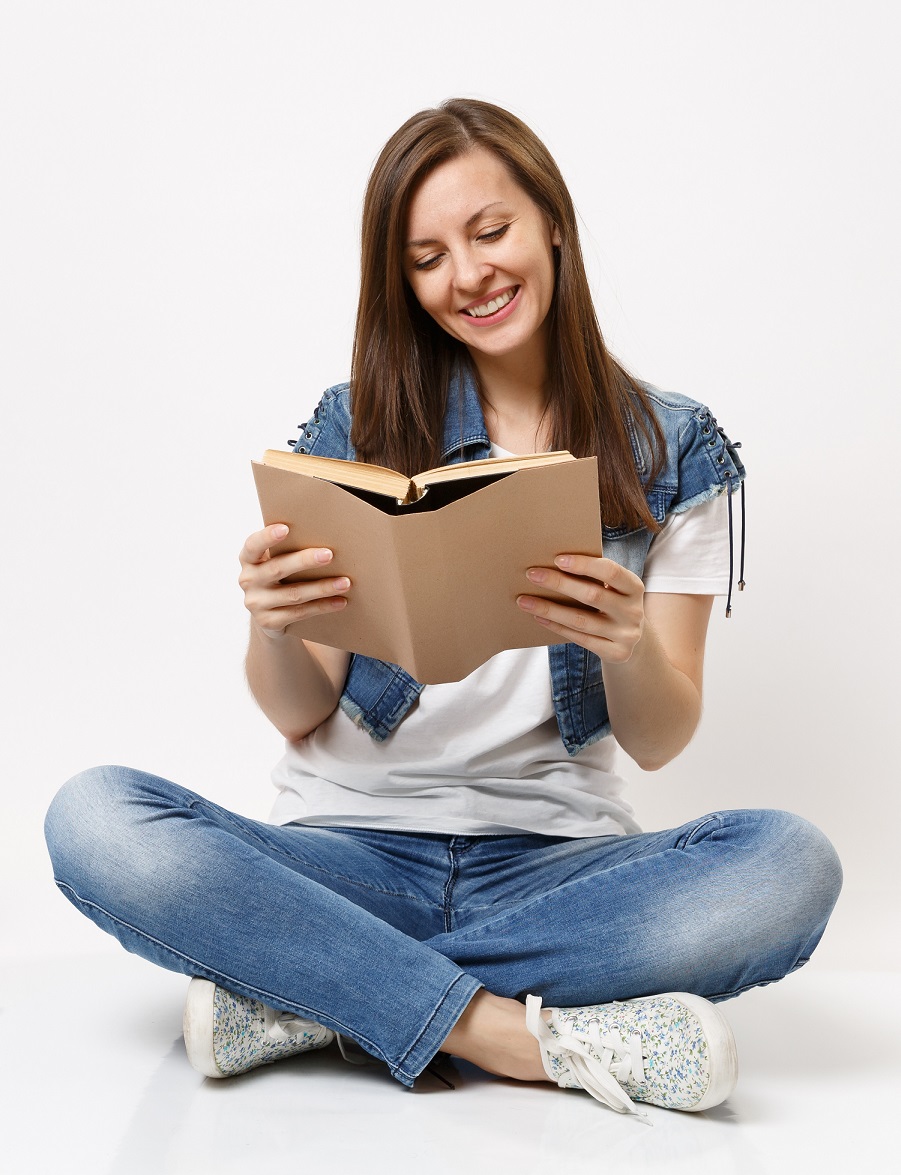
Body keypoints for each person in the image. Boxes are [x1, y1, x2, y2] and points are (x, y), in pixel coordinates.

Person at [44, 99, 842, 1121]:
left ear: (551, 220)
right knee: (96, 817)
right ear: (401, 280)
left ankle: (315, 997)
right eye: (425, 257)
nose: (466, 276)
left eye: (489, 231)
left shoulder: (670, 445)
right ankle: (513, 1034)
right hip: (344, 855)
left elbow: (659, 737)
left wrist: (626, 642)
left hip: (557, 872)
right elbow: (297, 712)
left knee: (785, 865)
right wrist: (272, 621)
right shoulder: (355, 423)